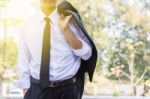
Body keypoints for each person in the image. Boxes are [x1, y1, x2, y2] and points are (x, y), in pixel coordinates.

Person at [16, 0, 97, 99]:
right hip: (37, 90)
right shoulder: (27, 24)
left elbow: (87, 54)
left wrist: (66, 29)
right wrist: (26, 89)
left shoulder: (70, 19)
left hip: (68, 90)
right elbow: (23, 58)